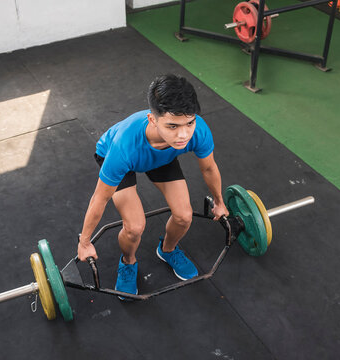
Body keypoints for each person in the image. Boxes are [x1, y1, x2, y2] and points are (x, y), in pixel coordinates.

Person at [77, 74, 228, 299]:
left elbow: (208, 168)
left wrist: (219, 202)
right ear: (152, 119)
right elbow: (100, 198)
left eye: (189, 123)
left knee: (184, 216)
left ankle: (167, 250)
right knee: (135, 226)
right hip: (121, 159)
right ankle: (128, 262)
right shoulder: (123, 147)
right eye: (173, 126)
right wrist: (84, 241)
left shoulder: (197, 131)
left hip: (163, 157)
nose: (184, 134)